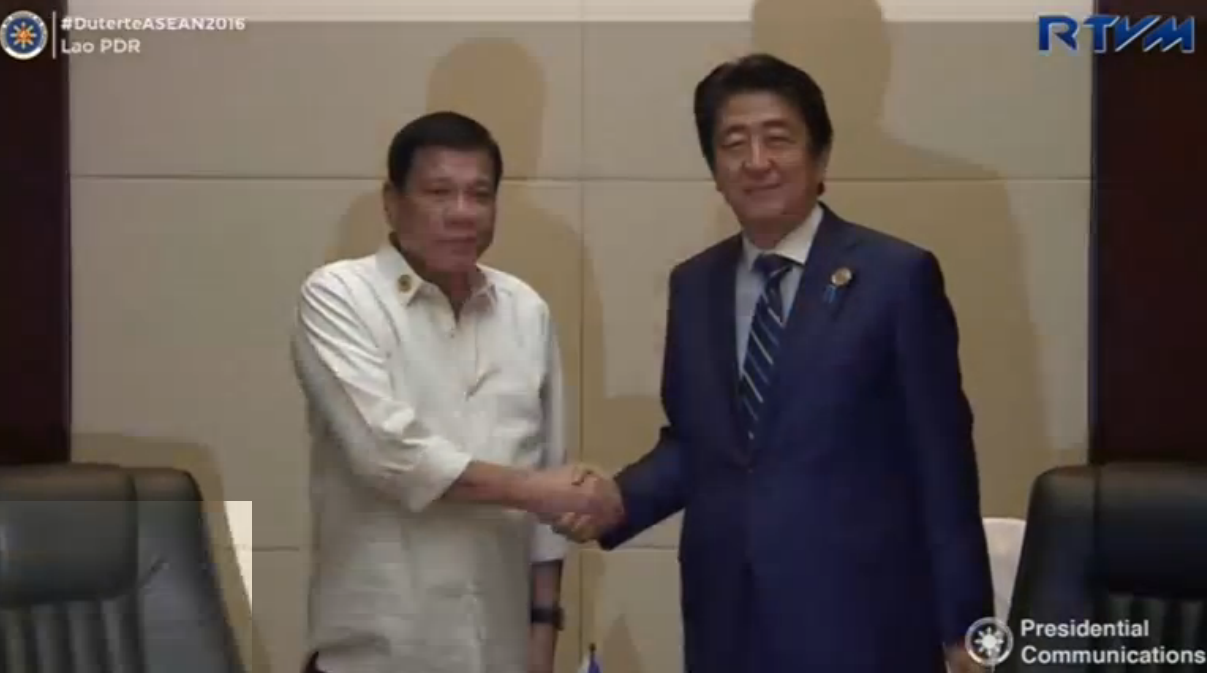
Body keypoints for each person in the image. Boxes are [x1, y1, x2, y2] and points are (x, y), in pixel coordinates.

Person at [557, 54, 994, 673]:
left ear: (820, 158)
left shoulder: (896, 277)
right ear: (714, 170)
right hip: (727, 621)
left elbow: (944, 466)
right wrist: (616, 500)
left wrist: (969, 636)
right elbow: (700, 444)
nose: (756, 161)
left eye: (778, 139)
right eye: (733, 143)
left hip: (865, 624)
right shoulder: (695, 285)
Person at [291, 111, 617, 673]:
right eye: (439, 192)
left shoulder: (525, 310)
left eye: (479, 194)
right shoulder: (339, 296)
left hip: (502, 653)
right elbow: (390, 455)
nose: (463, 213)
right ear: (392, 202)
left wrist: (542, 637)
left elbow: (548, 470)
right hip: (375, 657)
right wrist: (540, 490)